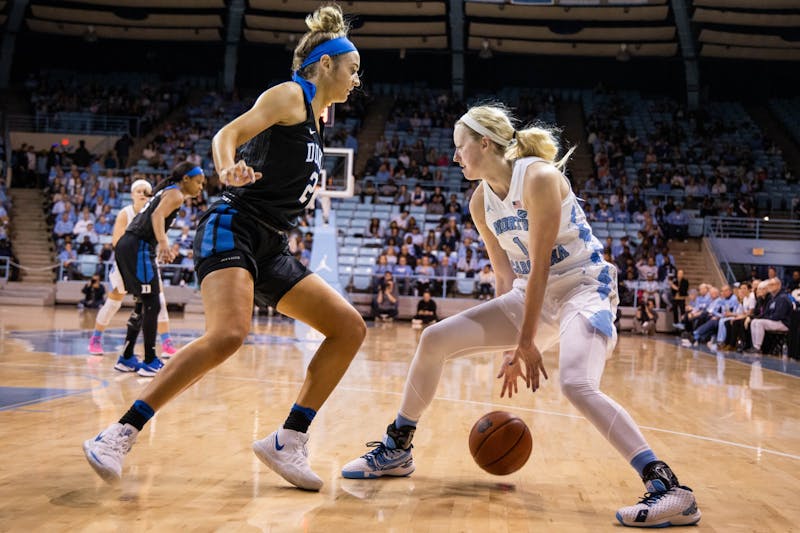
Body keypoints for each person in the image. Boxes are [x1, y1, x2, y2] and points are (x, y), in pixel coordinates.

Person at [341, 104, 700, 528]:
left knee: (576, 383)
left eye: (460, 147)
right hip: (531, 295)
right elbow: (506, 275)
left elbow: (542, 264)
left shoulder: (539, 178)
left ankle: (670, 489)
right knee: (433, 339)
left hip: (584, 289)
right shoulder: (480, 202)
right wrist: (514, 341)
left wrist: (526, 341)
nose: (455, 157)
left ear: (484, 143)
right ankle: (398, 447)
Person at [84, 4, 364, 493]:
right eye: (353, 68)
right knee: (230, 334)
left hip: (270, 242)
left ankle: (288, 439)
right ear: (325, 64)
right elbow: (226, 134)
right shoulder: (290, 95)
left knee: (348, 327)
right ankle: (119, 431)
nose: (357, 79)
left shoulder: (320, 122)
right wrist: (226, 167)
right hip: (231, 224)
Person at [87, 179, 180, 359]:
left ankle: (166, 342)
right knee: (115, 301)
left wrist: (164, 250)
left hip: (147, 261)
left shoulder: (155, 213)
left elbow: (158, 240)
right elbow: (116, 241)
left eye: (145, 190)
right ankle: (96, 339)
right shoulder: (125, 213)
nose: (142, 193)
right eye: (138, 190)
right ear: (132, 194)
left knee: (157, 299)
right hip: (127, 261)